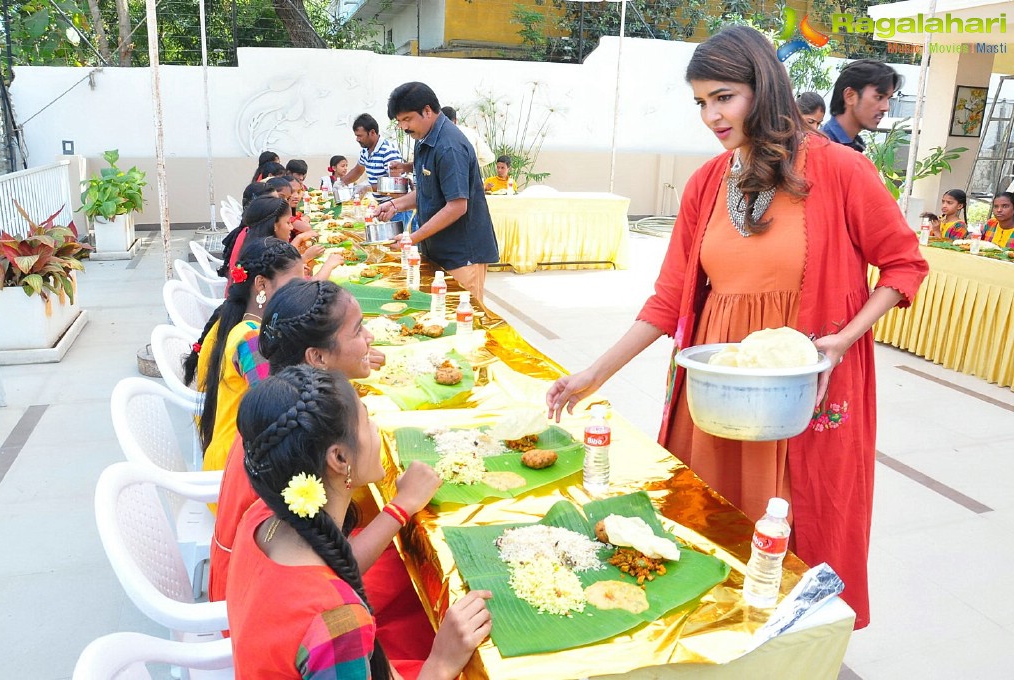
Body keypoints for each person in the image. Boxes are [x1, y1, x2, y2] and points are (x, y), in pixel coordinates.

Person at [545, 25, 928, 630]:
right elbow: (669, 299)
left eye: (723, 96)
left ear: (763, 86)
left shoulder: (841, 172)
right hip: (720, 394)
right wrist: (594, 373)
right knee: (709, 534)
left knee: (793, 545)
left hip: (802, 391)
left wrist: (843, 339)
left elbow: (905, 264)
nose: (710, 115)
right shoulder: (705, 183)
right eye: (700, 102)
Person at [228, 365, 492, 679]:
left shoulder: (263, 516)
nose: (376, 428)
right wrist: (441, 663)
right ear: (339, 459)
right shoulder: (337, 621)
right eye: (367, 421)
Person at [210, 279, 391, 605]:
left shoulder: (283, 410)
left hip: (263, 580)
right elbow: (317, 557)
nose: (370, 338)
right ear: (318, 357)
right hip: (258, 594)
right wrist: (401, 508)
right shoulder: (292, 437)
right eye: (359, 330)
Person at [186, 238, 307, 473]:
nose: (299, 291)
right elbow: (275, 409)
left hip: (234, 458)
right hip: (236, 472)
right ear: (261, 284)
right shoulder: (250, 339)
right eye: (294, 284)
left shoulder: (240, 321)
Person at [376, 82, 500, 303]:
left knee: (462, 318)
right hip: (437, 249)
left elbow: (457, 205)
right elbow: (428, 190)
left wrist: (412, 238)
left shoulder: (449, 146)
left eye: (407, 119)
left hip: (461, 254)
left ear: (427, 110)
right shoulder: (423, 140)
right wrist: (396, 205)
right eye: (400, 121)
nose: (404, 127)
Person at [822, 59, 902, 152]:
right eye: (879, 97)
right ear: (850, 96)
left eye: (888, 99)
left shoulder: (854, 145)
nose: (886, 108)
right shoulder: (821, 147)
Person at [342, 113, 404, 199]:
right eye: (356, 136)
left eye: (360, 136)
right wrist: (341, 183)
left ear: (372, 132)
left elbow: (397, 185)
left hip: (397, 206)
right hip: (381, 203)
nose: (357, 139)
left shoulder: (388, 151)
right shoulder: (365, 150)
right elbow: (357, 171)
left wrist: (368, 187)